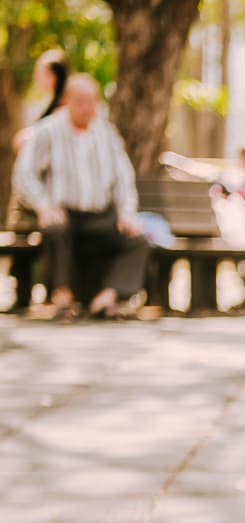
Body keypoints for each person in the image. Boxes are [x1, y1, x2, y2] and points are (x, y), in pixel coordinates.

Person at [12, 74, 149, 320]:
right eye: (81, 101)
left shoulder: (106, 133)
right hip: (65, 213)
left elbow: (123, 180)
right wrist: (43, 205)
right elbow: (24, 174)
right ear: (67, 101)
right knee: (56, 228)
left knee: (137, 239)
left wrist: (127, 214)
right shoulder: (48, 131)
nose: (87, 108)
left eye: (91, 101)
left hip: (99, 215)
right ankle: (62, 296)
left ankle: (106, 297)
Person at [12, 49, 71, 153]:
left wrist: (27, 136)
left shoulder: (66, 104)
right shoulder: (49, 100)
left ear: (53, 75)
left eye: (39, 72)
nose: (35, 77)